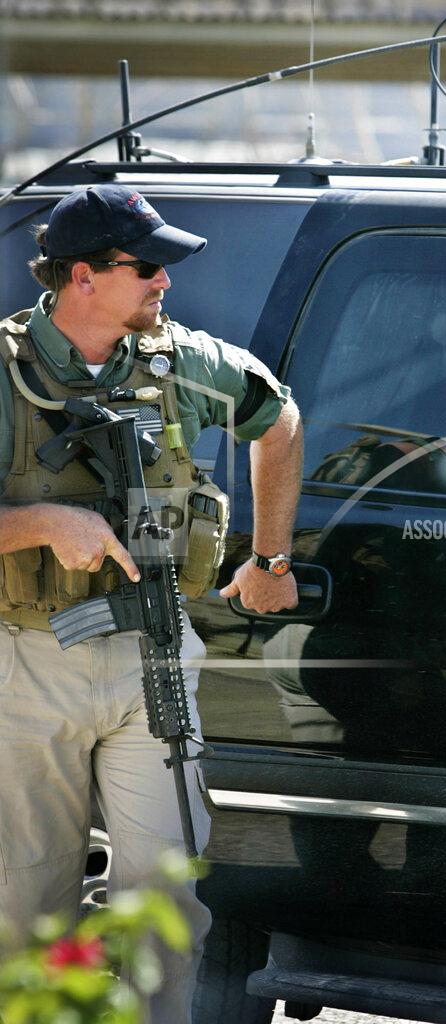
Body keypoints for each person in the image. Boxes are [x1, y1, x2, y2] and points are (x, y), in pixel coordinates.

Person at [0, 184, 302, 1022]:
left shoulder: (182, 362)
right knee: (25, 908)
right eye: (147, 266)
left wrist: (269, 559)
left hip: (155, 661)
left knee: (166, 898)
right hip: (23, 665)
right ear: (82, 278)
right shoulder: (6, 373)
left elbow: (277, 419)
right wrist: (40, 523)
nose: (166, 282)